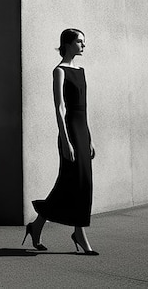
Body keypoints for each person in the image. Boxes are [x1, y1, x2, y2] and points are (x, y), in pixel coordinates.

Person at [22, 28, 99, 255]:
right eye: (80, 41)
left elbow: (84, 109)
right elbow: (60, 107)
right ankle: (79, 233)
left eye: (84, 42)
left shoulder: (81, 71)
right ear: (67, 43)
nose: (83, 45)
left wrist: (90, 138)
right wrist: (66, 141)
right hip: (70, 133)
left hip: (82, 132)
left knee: (81, 183)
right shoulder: (59, 71)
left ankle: (37, 227)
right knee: (72, 182)